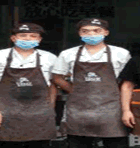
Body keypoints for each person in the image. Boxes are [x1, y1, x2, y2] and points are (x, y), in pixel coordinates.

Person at [52, 18, 131, 148]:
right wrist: (75, 91)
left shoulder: (121, 53)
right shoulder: (68, 54)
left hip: (112, 110)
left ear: (106, 32)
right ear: (79, 33)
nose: (91, 34)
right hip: (79, 111)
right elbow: (57, 78)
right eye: (85, 31)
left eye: (96, 31)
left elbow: (127, 82)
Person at [0, 23, 58, 148]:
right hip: (5, 115)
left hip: (39, 116)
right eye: (23, 35)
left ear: (39, 39)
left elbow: (53, 85)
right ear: (13, 38)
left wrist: (50, 108)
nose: (27, 39)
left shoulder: (50, 58)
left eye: (33, 36)